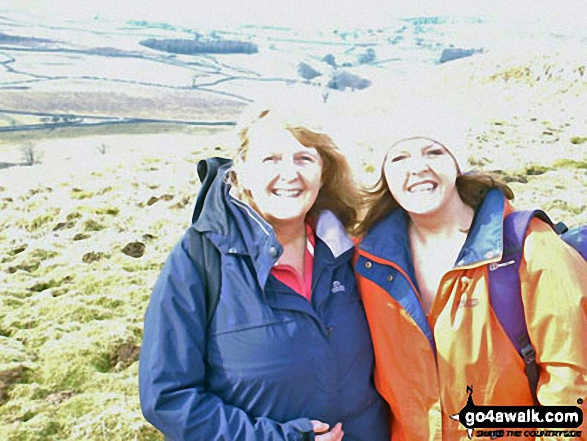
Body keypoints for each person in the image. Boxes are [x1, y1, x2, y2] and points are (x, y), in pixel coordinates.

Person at [139, 103, 390, 440]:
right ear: (241, 170)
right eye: (270, 159)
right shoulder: (200, 259)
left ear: (324, 172)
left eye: (304, 158)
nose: (290, 174)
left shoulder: (351, 251)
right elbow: (166, 397)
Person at [354, 101, 587, 440]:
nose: (417, 168)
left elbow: (572, 381)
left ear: (457, 163)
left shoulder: (530, 246)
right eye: (399, 157)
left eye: (433, 152)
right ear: (383, 174)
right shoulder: (366, 262)